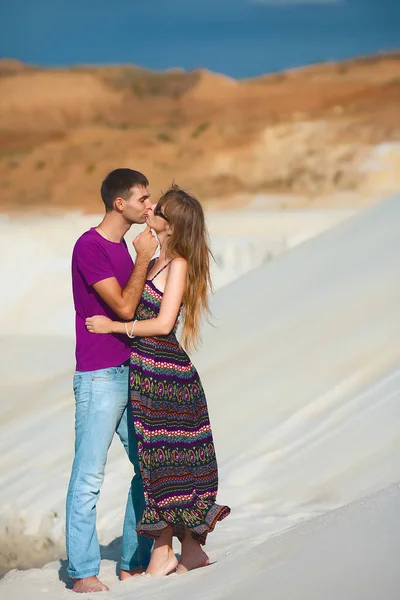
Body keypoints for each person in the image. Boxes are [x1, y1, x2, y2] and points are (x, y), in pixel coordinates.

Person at [86, 185, 230, 578]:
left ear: (171, 224)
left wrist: (114, 326)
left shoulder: (178, 263)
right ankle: (184, 551)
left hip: (167, 376)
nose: (150, 210)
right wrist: (141, 257)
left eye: (159, 209)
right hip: (147, 374)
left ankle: (169, 552)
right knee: (160, 462)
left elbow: (165, 324)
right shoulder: (155, 261)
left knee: (167, 463)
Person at [67, 168, 158, 593]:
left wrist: (151, 244)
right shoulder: (90, 247)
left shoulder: (125, 246)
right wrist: (143, 257)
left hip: (131, 370)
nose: (148, 204)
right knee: (89, 475)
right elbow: (124, 308)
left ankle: (132, 562)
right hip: (99, 376)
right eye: (142, 198)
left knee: (147, 468)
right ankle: (83, 571)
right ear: (120, 203)